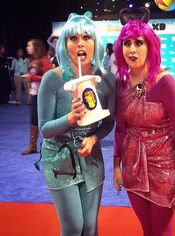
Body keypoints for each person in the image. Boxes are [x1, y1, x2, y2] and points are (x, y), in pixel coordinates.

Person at [113, 8, 175, 236]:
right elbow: (120, 128)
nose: (132, 49)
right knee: (147, 230)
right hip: (132, 168)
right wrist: (116, 166)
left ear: (150, 46)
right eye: (127, 43)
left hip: (165, 169)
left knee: (162, 232)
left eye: (139, 43)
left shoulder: (165, 83)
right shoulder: (121, 83)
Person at [37, 12, 115, 236]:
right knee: (73, 228)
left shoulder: (107, 79)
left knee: (90, 228)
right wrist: (69, 118)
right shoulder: (52, 79)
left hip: (91, 158)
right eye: (73, 38)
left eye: (86, 37)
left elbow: (109, 123)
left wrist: (93, 138)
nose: (80, 42)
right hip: (59, 158)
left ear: (95, 42)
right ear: (65, 44)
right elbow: (44, 129)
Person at [21, 39, 51, 155]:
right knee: (34, 119)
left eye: (29, 46)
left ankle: (51, 145)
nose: (27, 48)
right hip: (35, 93)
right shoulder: (32, 60)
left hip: (44, 94)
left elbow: (47, 78)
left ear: (36, 47)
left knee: (46, 119)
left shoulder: (44, 60)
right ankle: (32, 146)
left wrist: (31, 77)